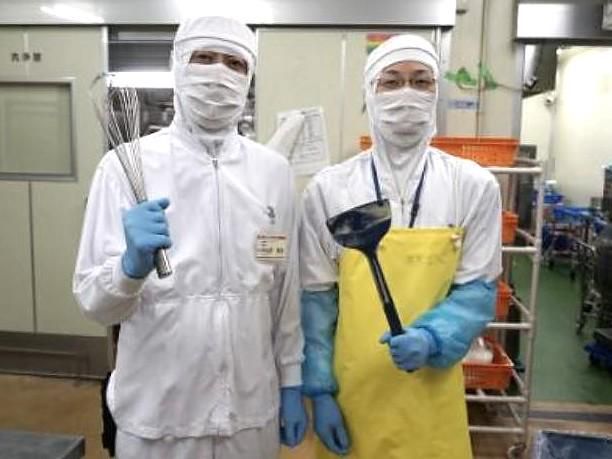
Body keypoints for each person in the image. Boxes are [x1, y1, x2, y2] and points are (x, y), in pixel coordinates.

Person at [73, 16, 307, 459]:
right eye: (204, 57)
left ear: (249, 77)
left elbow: (284, 293)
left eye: (234, 63)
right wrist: (127, 270)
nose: (218, 73)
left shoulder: (272, 172)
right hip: (158, 419)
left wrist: (291, 380)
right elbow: (93, 302)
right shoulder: (125, 166)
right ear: (177, 64)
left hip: (249, 412)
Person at [300, 34, 502, 458]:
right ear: (369, 93)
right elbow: (317, 302)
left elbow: (477, 292)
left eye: (421, 81)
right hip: (352, 396)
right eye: (391, 82)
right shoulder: (330, 188)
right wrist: (319, 390)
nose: (406, 93)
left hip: (430, 391)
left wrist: (433, 338)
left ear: (436, 93)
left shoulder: (473, 185)